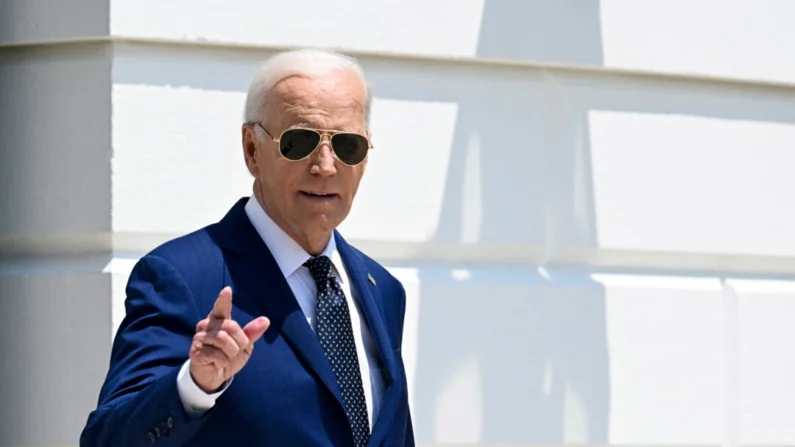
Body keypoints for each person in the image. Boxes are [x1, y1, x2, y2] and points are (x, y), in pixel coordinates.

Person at [80, 48, 415, 446]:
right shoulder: (184, 277)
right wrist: (194, 387)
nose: (326, 166)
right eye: (299, 142)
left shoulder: (383, 289)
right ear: (252, 149)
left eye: (348, 146)